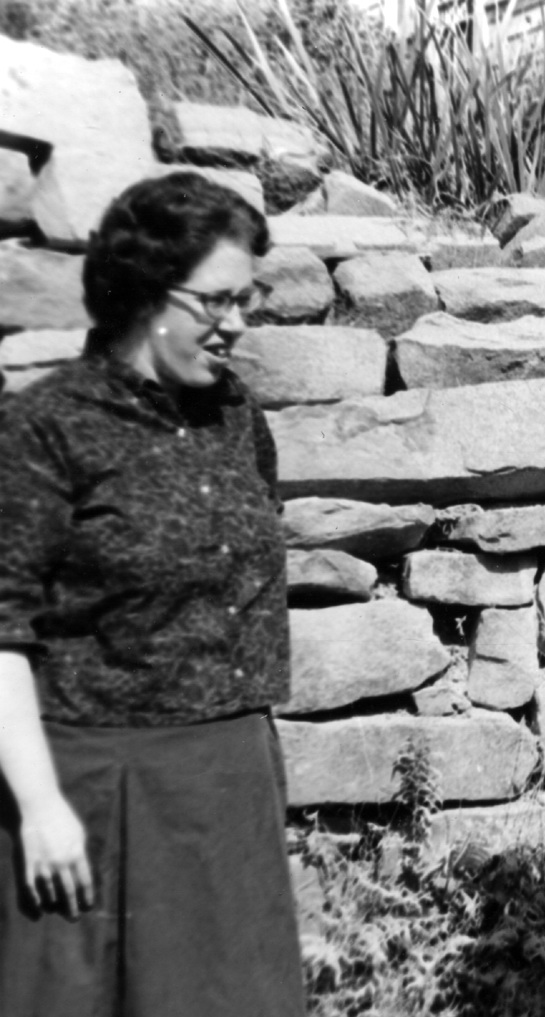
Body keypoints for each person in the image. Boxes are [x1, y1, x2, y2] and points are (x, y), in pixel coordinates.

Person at [0, 172, 305, 1016]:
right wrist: (39, 806)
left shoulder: (236, 416)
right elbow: (2, 630)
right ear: (142, 290)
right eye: (216, 300)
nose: (237, 323)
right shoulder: (46, 424)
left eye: (248, 299)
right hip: (95, 785)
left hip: (229, 778)